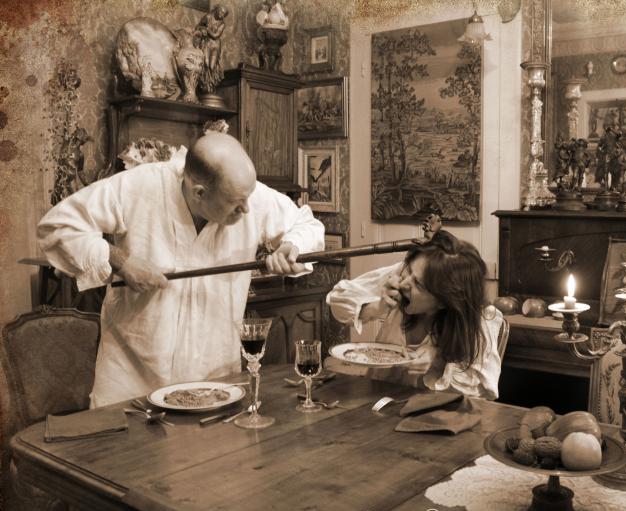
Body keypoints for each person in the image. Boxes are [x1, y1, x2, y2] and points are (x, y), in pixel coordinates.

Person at [38, 133, 325, 406]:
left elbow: (307, 224)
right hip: (132, 378)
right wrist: (120, 261)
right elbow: (57, 227)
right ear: (199, 192)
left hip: (214, 376)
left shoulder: (245, 193)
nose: (248, 210)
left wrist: (292, 245)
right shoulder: (139, 186)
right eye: (237, 204)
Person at [326, 230, 503, 400]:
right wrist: (378, 306)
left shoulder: (480, 319)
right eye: (409, 270)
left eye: (418, 284)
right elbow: (337, 300)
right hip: (376, 400)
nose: (404, 283)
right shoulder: (402, 275)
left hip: (429, 414)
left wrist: (438, 360)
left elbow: (482, 391)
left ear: (443, 300)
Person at [193, 4, 229, 94]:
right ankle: (204, 85)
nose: (221, 15)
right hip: (207, 43)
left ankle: (211, 87)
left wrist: (207, 29)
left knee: (212, 66)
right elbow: (198, 27)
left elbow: (216, 35)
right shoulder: (208, 17)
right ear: (216, 9)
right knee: (205, 63)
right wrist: (202, 29)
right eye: (221, 12)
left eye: (224, 14)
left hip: (215, 45)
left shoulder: (222, 24)